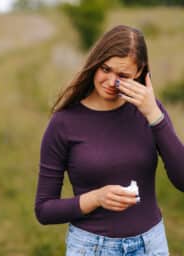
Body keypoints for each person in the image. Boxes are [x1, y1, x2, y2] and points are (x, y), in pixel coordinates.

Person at [34, 25, 184, 256]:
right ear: (96, 63)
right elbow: (44, 210)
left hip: (151, 246)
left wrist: (155, 115)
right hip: (91, 247)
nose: (110, 81)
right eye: (105, 69)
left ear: (139, 72)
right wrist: (95, 198)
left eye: (122, 76)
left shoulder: (151, 112)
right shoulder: (64, 122)